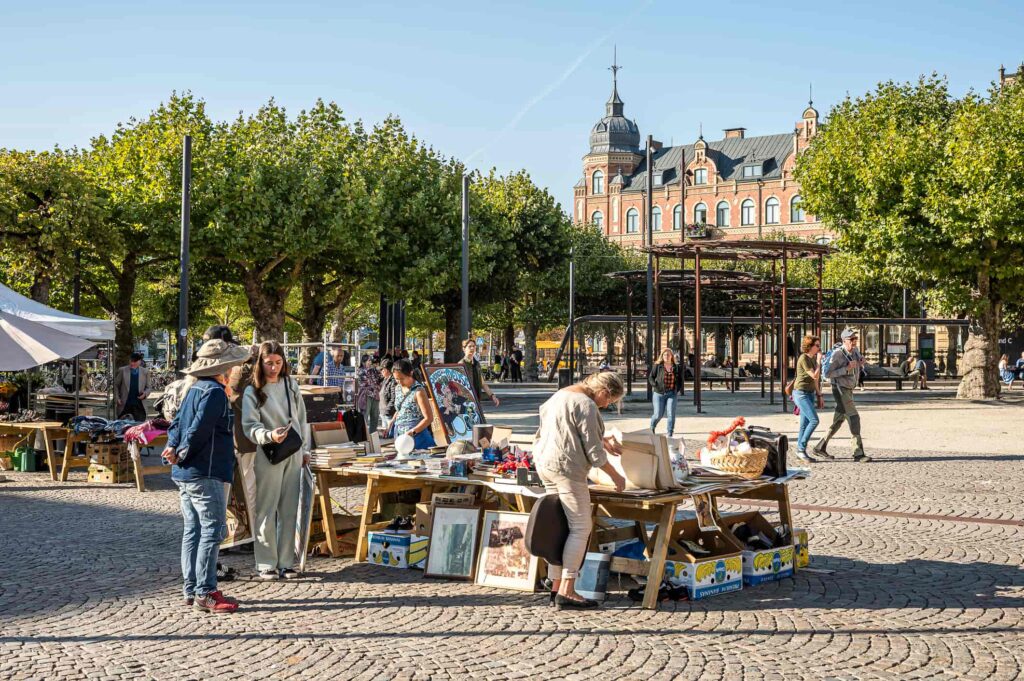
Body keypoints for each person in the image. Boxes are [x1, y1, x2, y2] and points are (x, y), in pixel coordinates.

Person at [163, 339, 250, 614]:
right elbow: (199, 430)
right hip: (206, 470)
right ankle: (205, 591)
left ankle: (192, 589)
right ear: (223, 367)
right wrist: (183, 451)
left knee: (194, 531)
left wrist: (173, 448)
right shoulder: (213, 392)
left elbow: (176, 424)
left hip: (188, 472)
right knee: (212, 531)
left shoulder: (195, 388)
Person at [533, 371, 626, 610]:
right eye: (610, 402)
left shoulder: (559, 396)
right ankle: (568, 589)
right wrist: (616, 476)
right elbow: (594, 454)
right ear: (604, 392)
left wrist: (602, 438)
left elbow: (564, 430)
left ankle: (555, 586)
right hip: (567, 470)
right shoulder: (587, 404)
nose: (606, 406)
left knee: (559, 527)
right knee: (580, 528)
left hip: (545, 464)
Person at [242, 341, 310, 580]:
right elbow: (250, 425)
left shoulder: (291, 384)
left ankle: (286, 561)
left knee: (290, 508)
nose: (274, 367)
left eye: (278, 363)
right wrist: (269, 435)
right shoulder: (252, 390)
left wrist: (306, 449)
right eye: (269, 363)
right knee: (266, 508)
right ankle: (265, 562)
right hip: (268, 451)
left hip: (293, 450)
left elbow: (302, 418)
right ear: (260, 362)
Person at [813, 329, 871, 462]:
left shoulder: (855, 351)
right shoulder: (838, 354)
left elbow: (858, 363)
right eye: (851, 340)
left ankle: (820, 446)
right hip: (840, 389)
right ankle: (858, 453)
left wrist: (862, 362)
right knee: (854, 418)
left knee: (838, 421)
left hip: (849, 389)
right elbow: (827, 374)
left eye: (855, 339)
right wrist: (846, 368)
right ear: (844, 341)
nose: (854, 342)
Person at [385, 359, 436, 450]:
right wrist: (391, 422)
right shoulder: (397, 388)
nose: (399, 382)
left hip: (417, 436)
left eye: (402, 379)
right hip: (400, 435)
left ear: (411, 373)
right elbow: (400, 409)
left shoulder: (419, 391)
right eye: (396, 379)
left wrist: (412, 432)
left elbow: (429, 418)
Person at [792, 336, 825, 463]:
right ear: (810, 346)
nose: (819, 348)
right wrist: (819, 361)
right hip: (800, 394)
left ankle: (800, 451)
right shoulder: (804, 358)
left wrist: (819, 395)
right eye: (817, 345)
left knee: (804, 424)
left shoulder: (811, 359)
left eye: (819, 345)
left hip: (810, 393)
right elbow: (814, 374)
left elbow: (815, 380)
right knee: (814, 420)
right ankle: (801, 448)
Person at [648, 349, 681, 439]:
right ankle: (652, 427)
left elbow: (680, 380)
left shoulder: (676, 367)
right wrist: (655, 385)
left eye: (668, 354)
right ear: (662, 356)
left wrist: (677, 389)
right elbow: (651, 377)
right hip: (659, 393)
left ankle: (670, 433)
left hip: (671, 393)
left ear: (671, 356)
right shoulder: (658, 366)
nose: (666, 356)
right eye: (665, 355)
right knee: (658, 414)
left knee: (671, 413)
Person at [460, 339, 501, 408]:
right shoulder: (461, 365)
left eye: (474, 346)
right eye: (469, 346)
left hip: (477, 400)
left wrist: (492, 396)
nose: (472, 348)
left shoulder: (477, 364)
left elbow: (483, 384)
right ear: (464, 349)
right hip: (466, 402)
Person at [115, 352, 150, 421]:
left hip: (139, 405)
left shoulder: (145, 371)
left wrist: (145, 394)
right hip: (125, 404)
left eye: (134, 361)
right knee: (123, 426)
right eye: (131, 361)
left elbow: (148, 387)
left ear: (140, 361)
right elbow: (116, 385)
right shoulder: (122, 370)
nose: (132, 363)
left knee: (139, 426)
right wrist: (117, 398)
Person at [356, 355, 383, 432]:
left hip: (375, 395)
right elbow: (367, 382)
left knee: (375, 416)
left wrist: (378, 371)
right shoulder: (360, 370)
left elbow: (380, 379)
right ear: (363, 362)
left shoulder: (373, 370)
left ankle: (373, 434)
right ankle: (363, 434)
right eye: (368, 361)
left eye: (371, 361)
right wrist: (376, 385)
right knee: (365, 415)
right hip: (366, 395)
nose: (370, 362)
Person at [378, 358, 397, 432]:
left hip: (388, 413)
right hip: (384, 412)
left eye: (382, 369)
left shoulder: (393, 381)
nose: (381, 371)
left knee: (389, 436)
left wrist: (387, 411)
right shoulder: (385, 379)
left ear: (387, 370)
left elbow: (394, 398)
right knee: (385, 434)